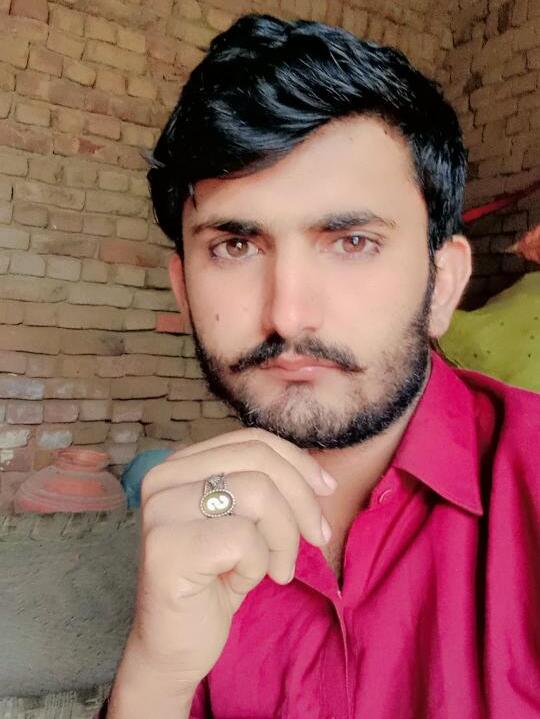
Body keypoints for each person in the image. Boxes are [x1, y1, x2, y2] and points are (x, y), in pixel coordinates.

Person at [98, 14, 540, 719]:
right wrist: (155, 677)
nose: (288, 315)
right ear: (184, 291)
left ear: (444, 284)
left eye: (352, 241)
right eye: (236, 247)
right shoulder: (195, 533)